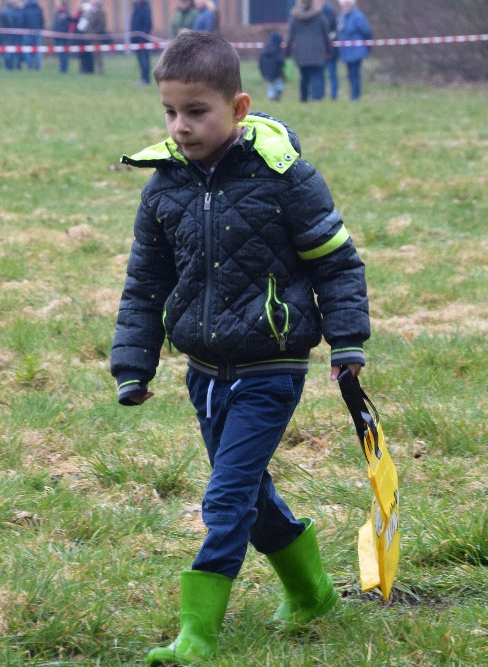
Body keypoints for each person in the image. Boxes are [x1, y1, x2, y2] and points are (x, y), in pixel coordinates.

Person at [112, 30, 370, 665]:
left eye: (196, 111)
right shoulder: (164, 186)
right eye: (170, 112)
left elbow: (337, 264)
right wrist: (133, 363)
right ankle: (311, 593)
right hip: (203, 371)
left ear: (239, 107)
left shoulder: (287, 179)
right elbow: (145, 284)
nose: (181, 126)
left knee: (225, 496)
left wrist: (347, 343)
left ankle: (196, 634)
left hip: (271, 366)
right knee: (250, 494)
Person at [285, 0, 329, 102]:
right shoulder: (319, 15)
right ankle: (317, 99)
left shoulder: (295, 16)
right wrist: (328, 50)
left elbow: (290, 37)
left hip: (301, 52)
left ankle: (304, 98)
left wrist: (287, 52)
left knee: (304, 76)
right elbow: (325, 34)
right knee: (317, 76)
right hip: (317, 51)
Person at [336, 0, 371, 100]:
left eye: (346, 4)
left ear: (351, 4)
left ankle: (355, 96)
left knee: (355, 74)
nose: (344, 7)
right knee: (350, 74)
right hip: (346, 51)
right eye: (343, 5)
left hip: (356, 50)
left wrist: (366, 46)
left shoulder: (358, 16)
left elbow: (367, 32)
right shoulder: (341, 17)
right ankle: (353, 95)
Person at [129, 0, 153, 86]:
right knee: (140, 59)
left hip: (142, 39)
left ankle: (146, 79)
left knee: (144, 59)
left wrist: (142, 35)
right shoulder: (136, 7)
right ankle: (143, 78)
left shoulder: (145, 8)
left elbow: (148, 23)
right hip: (136, 39)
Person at [258, 31, 285, 101]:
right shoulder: (277, 50)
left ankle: (271, 97)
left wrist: (263, 73)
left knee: (271, 86)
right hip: (276, 72)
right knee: (279, 83)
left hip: (266, 73)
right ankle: (278, 91)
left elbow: (260, 62)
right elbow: (280, 61)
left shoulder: (265, 49)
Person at [322, 0, 339, 100]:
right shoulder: (314, 12)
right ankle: (320, 95)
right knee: (320, 74)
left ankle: (333, 95)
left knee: (332, 74)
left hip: (331, 50)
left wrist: (331, 36)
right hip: (319, 50)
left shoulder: (329, 12)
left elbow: (335, 29)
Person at [21, 0, 44, 69]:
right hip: (37, 32)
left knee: (26, 49)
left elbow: (23, 20)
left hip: (27, 32)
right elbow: (42, 21)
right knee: (38, 49)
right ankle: (38, 65)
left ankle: (30, 64)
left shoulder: (25, 9)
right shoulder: (39, 9)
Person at [51, 0, 73, 73]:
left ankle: (64, 69)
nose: (56, 4)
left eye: (57, 3)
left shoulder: (65, 13)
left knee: (63, 53)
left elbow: (67, 24)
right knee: (60, 53)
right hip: (57, 37)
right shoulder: (57, 13)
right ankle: (62, 68)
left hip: (63, 37)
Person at [86, 0, 107, 75]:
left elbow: (101, 24)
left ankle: (100, 70)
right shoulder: (89, 12)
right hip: (89, 36)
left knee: (98, 54)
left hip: (97, 37)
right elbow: (87, 24)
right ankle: (91, 69)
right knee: (92, 54)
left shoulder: (101, 13)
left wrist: (95, 33)